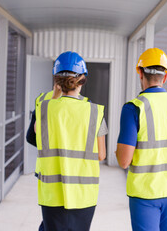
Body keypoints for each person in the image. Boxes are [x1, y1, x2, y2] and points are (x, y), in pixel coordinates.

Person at [116, 48, 167, 231]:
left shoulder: (134, 108)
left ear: (140, 73)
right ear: (164, 77)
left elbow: (124, 161)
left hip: (145, 194)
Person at [33, 51, 107, 231]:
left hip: (52, 194)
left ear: (56, 81)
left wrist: (55, 95)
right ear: (82, 80)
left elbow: (35, 134)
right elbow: (101, 155)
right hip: (84, 194)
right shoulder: (94, 112)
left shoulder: (44, 108)